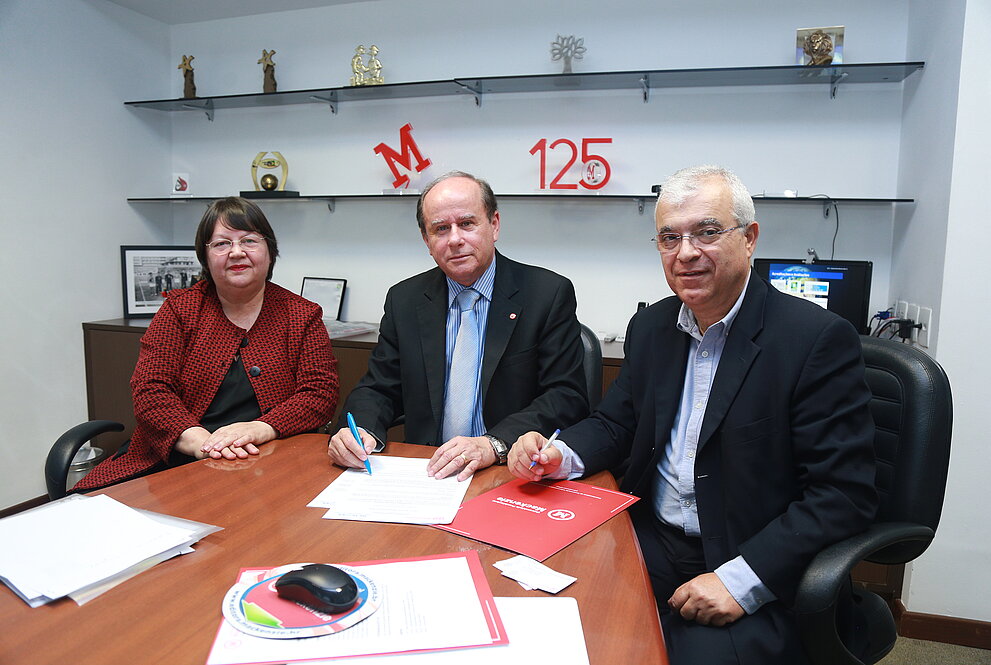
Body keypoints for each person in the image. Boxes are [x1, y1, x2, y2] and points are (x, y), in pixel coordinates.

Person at [508, 165, 877, 665]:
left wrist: (739, 580)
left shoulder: (815, 340)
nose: (685, 253)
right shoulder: (652, 326)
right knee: (549, 616)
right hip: (650, 537)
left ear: (749, 239)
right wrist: (558, 455)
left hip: (751, 556)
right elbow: (617, 423)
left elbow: (842, 495)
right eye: (669, 238)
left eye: (706, 232)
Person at [327, 171, 589, 481]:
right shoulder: (405, 300)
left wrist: (493, 444)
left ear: (494, 225)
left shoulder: (547, 294)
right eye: (440, 229)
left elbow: (565, 396)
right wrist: (360, 430)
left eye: (466, 223)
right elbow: (379, 386)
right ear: (426, 240)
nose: (454, 239)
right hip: (428, 470)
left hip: (509, 469)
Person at [75, 197, 339, 491]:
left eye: (249, 241)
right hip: (177, 457)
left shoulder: (301, 315)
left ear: (270, 251)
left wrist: (261, 428)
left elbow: (319, 394)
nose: (236, 252)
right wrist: (202, 442)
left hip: (270, 462)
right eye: (222, 244)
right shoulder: (180, 309)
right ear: (206, 256)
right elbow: (150, 389)